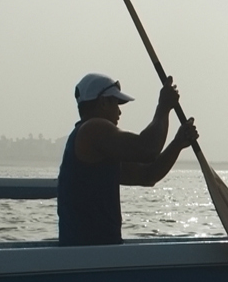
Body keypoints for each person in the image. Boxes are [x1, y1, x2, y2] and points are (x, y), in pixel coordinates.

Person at [57, 72, 198, 246]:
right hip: (91, 253)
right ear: (102, 102)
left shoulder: (98, 147)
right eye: (116, 103)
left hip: (96, 250)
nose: (119, 111)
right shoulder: (93, 130)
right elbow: (148, 149)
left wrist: (177, 144)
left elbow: (148, 175)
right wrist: (163, 107)